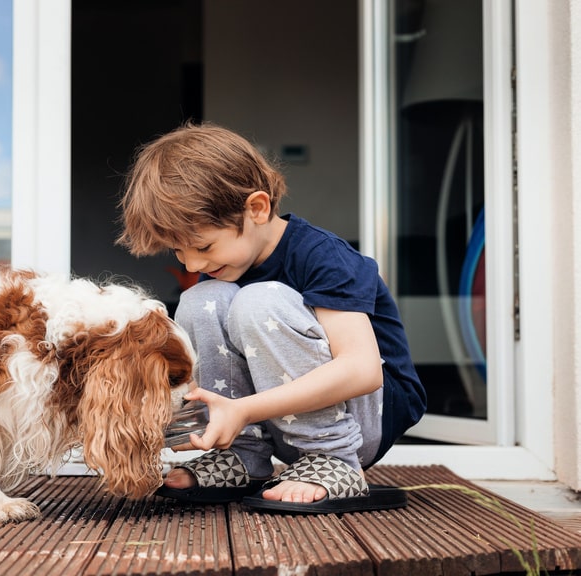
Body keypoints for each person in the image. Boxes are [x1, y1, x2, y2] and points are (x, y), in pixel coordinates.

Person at [116, 122, 426, 514]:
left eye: (203, 246)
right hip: (274, 424)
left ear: (257, 208)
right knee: (198, 299)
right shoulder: (218, 275)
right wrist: (184, 424)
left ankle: (331, 459)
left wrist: (244, 409)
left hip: (363, 419)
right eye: (178, 252)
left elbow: (363, 369)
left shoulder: (323, 257)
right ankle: (243, 456)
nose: (194, 263)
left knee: (259, 300)